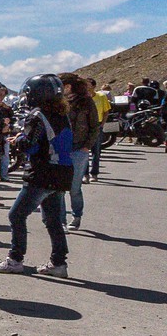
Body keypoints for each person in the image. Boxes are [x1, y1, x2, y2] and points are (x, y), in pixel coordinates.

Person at [0, 73, 73, 278]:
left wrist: (18, 140)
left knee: (16, 215)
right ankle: (58, 263)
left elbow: (31, 146)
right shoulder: (61, 113)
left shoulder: (38, 116)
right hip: (62, 172)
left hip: (43, 173)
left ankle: (15, 259)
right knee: (53, 220)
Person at [61, 73, 98, 229]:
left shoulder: (87, 102)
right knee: (59, 188)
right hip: (61, 149)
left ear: (68, 86)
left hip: (79, 149)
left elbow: (94, 126)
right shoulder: (58, 102)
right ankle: (60, 221)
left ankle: (77, 217)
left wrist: (87, 146)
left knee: (74, 188)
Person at [90, 79, 110, 180]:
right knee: (83, 152)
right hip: (85, 126)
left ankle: (94, 173)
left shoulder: (101, 97)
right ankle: (84, 174)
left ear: (93, 86)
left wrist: (102, 124)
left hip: (97, 125)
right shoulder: (83, 97)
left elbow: (106, 111)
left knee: (96, 150)